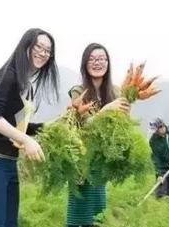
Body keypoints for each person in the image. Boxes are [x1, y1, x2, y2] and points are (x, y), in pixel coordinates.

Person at [0, 28, 59, 227]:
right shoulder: (10, 74)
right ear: (26, 45)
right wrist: (26, 140)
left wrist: (59, 122)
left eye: (48, 50)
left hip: (9, 163)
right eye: (39, 46)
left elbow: (20, 128)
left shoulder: (26, 84)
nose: (43, 53)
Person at [66, 43, 130, 227]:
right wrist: (105, 111)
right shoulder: (78, 91)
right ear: (85, 64)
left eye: (102, 59)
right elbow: (83, 125)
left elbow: (122, 126)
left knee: (97, 215)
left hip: (101, 161)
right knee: (79, 214)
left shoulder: (115, 92)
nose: (97, 63)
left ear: (108, 63)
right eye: (92, 59)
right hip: (81, 160)